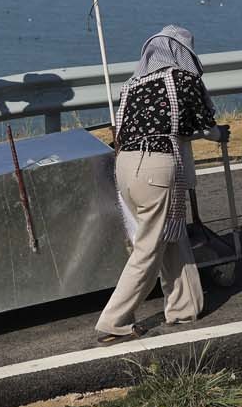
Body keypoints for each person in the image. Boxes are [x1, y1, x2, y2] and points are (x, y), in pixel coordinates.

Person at [95, 26, 226, 344]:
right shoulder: (183, 79)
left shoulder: (132, 85)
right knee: (149, 246)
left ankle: (184, 306)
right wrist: (218, 134)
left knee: (171, 232)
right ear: (182, 52)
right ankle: (113, 319)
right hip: (156, 166)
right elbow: (202, 123)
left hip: (125, 166)